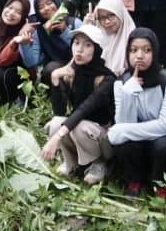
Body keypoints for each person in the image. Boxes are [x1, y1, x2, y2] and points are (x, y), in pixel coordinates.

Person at [109, 28, 166, 198]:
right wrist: (128, 93)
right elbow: (124, 121)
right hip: (139, 143)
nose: (139, 56)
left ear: (155, 52)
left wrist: (122, 130)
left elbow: (165, 126)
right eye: (133, 50)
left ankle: (160, 185)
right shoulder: (121, 84)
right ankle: (134, 180)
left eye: (147, 50)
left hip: (165, 139)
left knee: (162, 145)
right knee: (123, 144)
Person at [39, 24, 115, 185]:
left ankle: (99, 163)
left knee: (80, 126)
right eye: (76, 43)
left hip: (105, 136)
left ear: (97, 49)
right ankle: (71, 162)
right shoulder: (73, 72)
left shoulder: (107, 78)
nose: (79, 49)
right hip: (81, 128)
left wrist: (57, 138)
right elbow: (59, 112)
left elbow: (85, 108)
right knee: (55, 124)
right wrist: (56, 80)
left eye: (87, 45)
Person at [22, 0, 82, 113]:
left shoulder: (74, 23)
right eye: (41, 7)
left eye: (49, 3)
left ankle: (77, 106)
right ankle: (60, 108)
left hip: (79, 65)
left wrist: (64, 32)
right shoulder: (39, 30)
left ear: (57, 3)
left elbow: (84, 49)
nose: (46, 8)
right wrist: (24, 43)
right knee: (51, 68)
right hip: (54, 71)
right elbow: (32, 62)